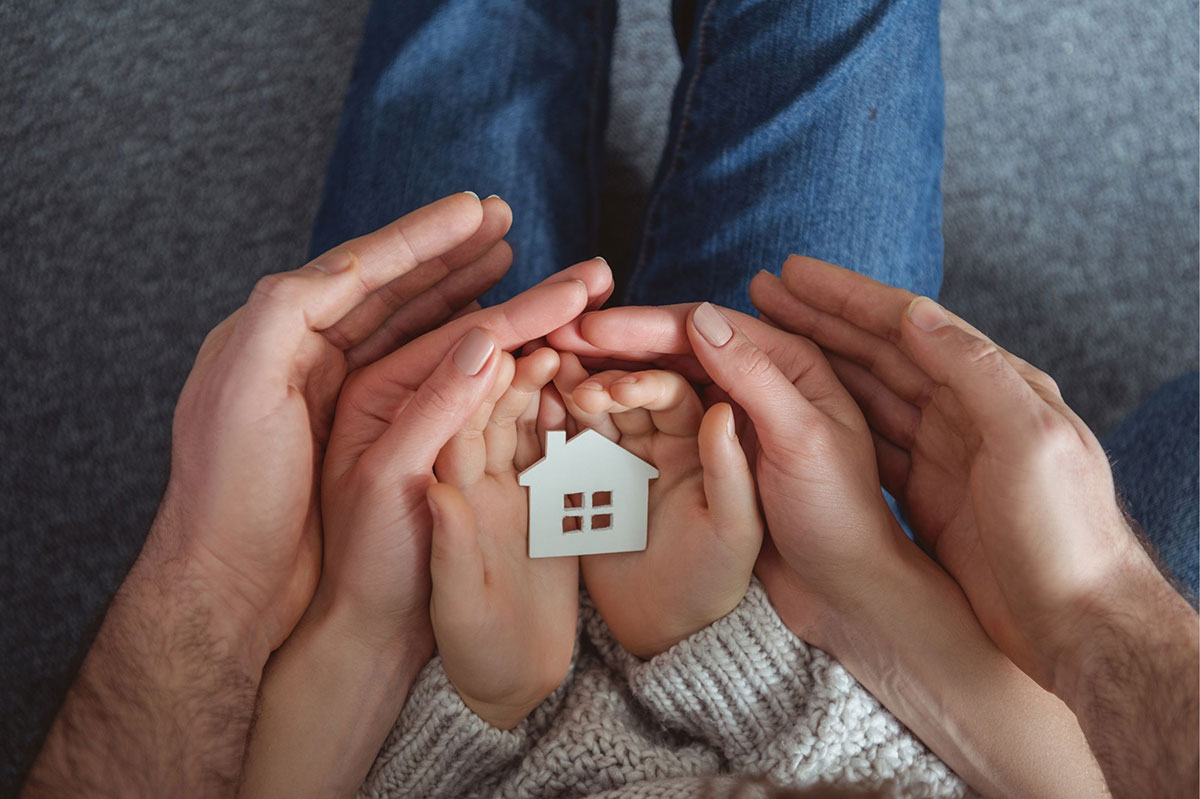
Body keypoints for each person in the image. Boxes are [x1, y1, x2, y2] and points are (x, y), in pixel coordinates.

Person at [24, 0, 1198, 794]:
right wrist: (1026, 605)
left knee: (464, 53)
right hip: (859, 659)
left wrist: (383, 643)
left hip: (401, 673)